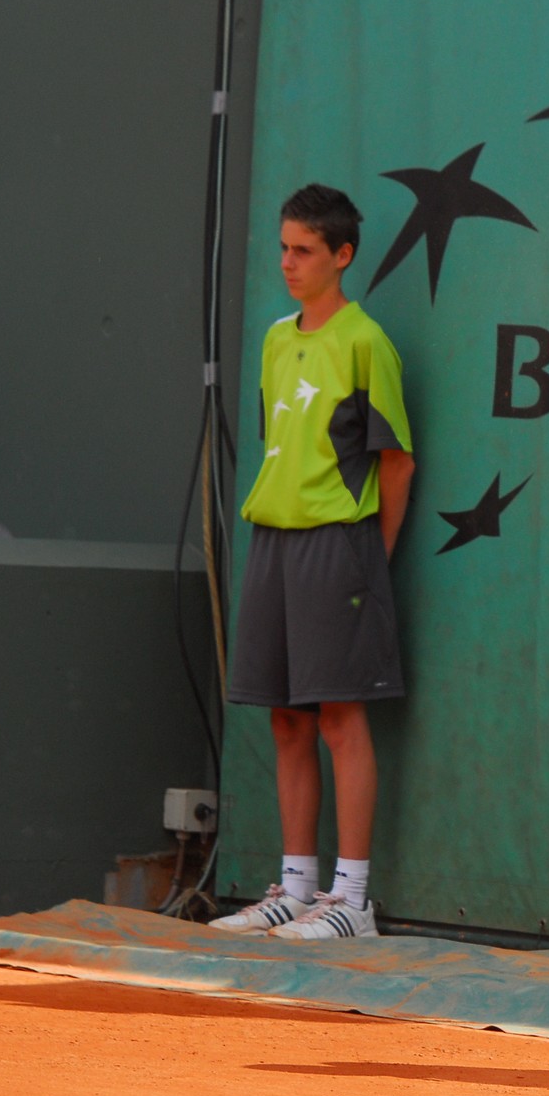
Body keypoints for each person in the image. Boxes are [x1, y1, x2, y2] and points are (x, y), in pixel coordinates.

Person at [210, 184, 415, 941]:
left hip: (341, 544)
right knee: (287, 720)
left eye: (304, 251)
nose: (288, 263)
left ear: (343, 256)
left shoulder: (367, 343)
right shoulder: (272, 339)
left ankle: (352, 900)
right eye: (284, 247)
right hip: (273, 540)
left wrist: (370, 558)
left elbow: (395, 464)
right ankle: (295, 888)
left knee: (338, 716)